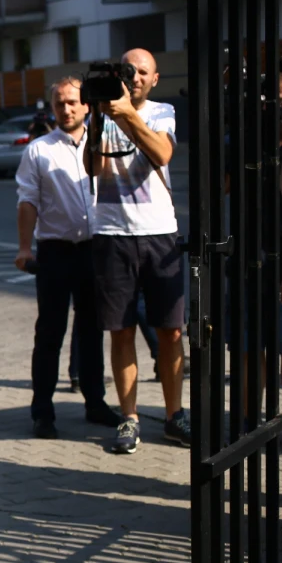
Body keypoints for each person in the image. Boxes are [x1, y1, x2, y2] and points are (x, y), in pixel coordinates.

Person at [84, 48, 191, 453]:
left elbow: (162, 153)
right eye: (129, 71)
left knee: (171, 330)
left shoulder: (162, 112)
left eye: (142, 72)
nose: (136, 77)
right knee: (121, 330)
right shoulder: (104, 112)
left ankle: (173, 415)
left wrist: (126, 112)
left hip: (159, 232)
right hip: (112, 233)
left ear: (155, 77)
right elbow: (92, 168)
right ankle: (129, 418)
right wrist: (99, 115)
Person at [15, 77, 122, 439]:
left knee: (93, 331)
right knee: (50, 333)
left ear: (87, 105)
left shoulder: (104, 144)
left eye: (73, 102)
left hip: (96, 250)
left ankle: (95, 402)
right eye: (60, 103)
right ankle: (42, 412)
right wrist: (24, 247)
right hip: (55, 253)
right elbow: (27, 200)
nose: (67, 109)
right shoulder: (38, 150)